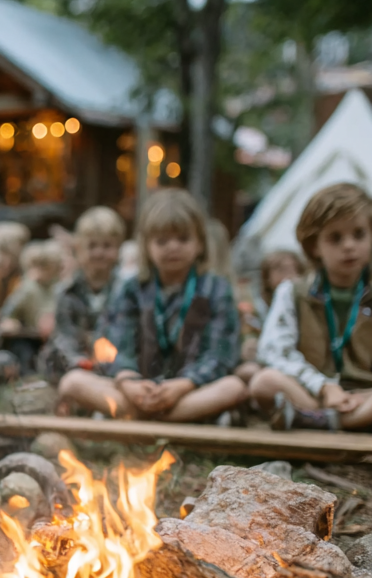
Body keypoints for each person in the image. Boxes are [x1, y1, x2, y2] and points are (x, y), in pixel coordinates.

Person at [58, 188, 248, 422]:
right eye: (162, 241)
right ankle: (167, 418)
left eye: (183, 239)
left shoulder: (216, 289)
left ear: (200, 243)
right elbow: (113, 343)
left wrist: (184, 384)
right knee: (73, 382)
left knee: (233, 387)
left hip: (189, 390)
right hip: (136, 390)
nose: (172, 247)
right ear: (146, 246)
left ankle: (141, 418)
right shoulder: (131, 289)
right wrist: (128, 381)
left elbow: (220, 354)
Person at [251, 183, 372, 430]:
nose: (349, 245)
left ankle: (319, 420)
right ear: (314, 245)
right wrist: (324, 386)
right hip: (314, 392)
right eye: (335, 238)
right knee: (263, 382)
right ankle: (337, 420)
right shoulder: (292, 292)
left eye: (359, 234)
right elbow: (273, 351)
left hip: (366, 396)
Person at [39, 206, 125, 384]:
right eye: (92, 246)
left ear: (118, 248)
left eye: (107, 246)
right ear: (79, 249)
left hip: (116, 363)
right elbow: (64, 335)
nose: (99, 253)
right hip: (76, 364)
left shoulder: (126, 289)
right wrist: (79, 361)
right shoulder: (66, 291)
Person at [236, 249, 305, 379]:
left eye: (294, 270)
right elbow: (249, 337)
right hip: (265, 360)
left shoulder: (305, 303)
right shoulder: (256, 306)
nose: (289, 276)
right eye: (281, 270)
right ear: (267, 276)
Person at [0, 240, 65, 339]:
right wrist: (10, 322)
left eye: (45, 266)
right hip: (32, 337)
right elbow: (7, 313)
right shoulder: (28, 288)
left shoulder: (60, 287)